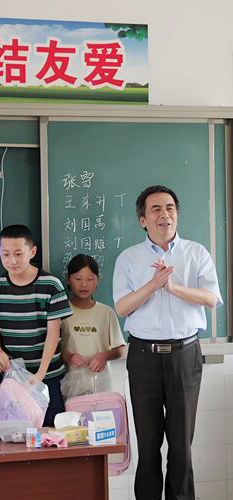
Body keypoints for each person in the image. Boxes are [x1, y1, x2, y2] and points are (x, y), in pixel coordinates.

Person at [113, 185, 222, 500]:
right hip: (143, 357)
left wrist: (174, 288)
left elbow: (211, 298)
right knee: (148, 445)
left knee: (181, 445)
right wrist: (154, 285)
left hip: (184, 356)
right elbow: (122, 307)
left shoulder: (196, 253)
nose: (165, 214)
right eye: (156, 209)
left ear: (177, 214)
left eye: (170, 207)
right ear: (143, 220)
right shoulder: (128, 258)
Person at [0, 224, 72, 427]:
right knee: (13, 432)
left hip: (48, 376)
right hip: (12, 377)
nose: (12, 261)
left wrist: (40, 374)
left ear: (32, 252)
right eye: (6, 254)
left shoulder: (51, 285)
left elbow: (53, 333)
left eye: (18, 254)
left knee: (50, 431)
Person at [60, 254, 125, 393]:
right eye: (78, 279)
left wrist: (104, 356)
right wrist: (69, 357)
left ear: (97, 281)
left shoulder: (106, 312)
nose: (84, 284)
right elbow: (52, 348)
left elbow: (121, 350)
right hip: (69, 386)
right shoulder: (61, 312)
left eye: (90, 279)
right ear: (69, 280)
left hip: (100, 386)